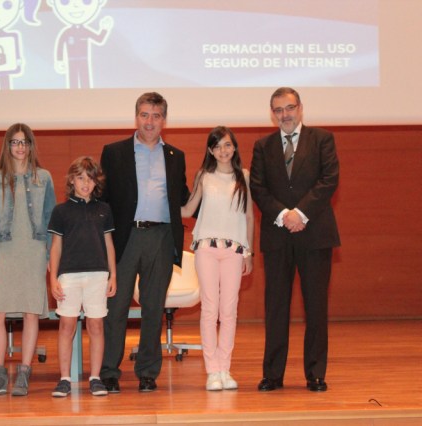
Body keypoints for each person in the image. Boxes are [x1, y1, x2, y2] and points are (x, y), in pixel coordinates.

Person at [250, 87, 340, 392]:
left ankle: (315, 373)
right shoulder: (263, 146)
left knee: (315, 307)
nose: (284, 115)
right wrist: (283, 215)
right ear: (272, 113)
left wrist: (299, 214)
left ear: (300, 108)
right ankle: (273, 374)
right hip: (277, 236)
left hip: (314, 234)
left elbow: (329, 180)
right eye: (278, 110)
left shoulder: (322, 139)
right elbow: (258, 188)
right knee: (276, 306)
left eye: (289, 108)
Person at [99, 92, 190, 393]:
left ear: (164, 120)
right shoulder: (114, 153)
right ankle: (110, 371)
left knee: (153, 307)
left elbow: (185, 199)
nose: (150, 121)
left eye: (156, 115)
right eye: (144, 115)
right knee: (116, 307)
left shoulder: (176, 157)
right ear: (136, 117)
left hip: (161, 238)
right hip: (125, 238)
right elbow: (103, 201)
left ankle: (148, 372)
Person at [0, 123, 56, 397]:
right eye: (15, 142)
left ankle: (24, 372)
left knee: (30, 311)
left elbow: (50, 221)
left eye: (25, 142)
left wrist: (50, 256)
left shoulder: (44, 178)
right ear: (8, 146)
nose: (20, 147)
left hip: (34, 251)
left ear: (31, 146)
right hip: (6, 251)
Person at [181, 126, 254, 391]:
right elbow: (189, 209)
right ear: (210, 150)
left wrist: (249, 252)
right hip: (206, 249)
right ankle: (212, 370)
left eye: (227, 145)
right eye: (217, 146)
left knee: (229, 310)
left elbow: (248, 218)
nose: (223, 150)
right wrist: (158, 204)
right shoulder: (204, 176)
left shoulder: (244, 176)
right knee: (210, 309)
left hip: (234, 250)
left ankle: (225, 367)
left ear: (234, 147)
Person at [47, 156, 117, 398]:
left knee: (96, 325)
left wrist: (113, 275)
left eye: (89, 179)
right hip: (69, 276)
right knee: (66, 325)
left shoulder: (104, 210)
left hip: (98, 275)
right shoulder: (61, 211)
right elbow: (55, 247)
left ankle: (95, 378)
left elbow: (109, 245)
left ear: (96, 181)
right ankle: (65, 378)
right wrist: (53, 278)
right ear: (71, 181)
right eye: (80, 178)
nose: (85, 184)